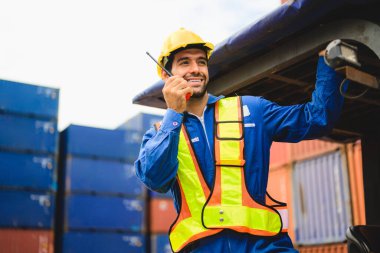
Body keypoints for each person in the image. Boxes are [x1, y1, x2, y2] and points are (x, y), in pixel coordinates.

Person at [135, 28, 345, 252]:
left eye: (201, 62)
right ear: (167, 75)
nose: (196, 69)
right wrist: (174, 114)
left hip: (265, 247)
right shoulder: (160, 133)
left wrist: (329, 64)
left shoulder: (252, 109)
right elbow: (154, 179)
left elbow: (316, 118)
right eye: (185, 62)